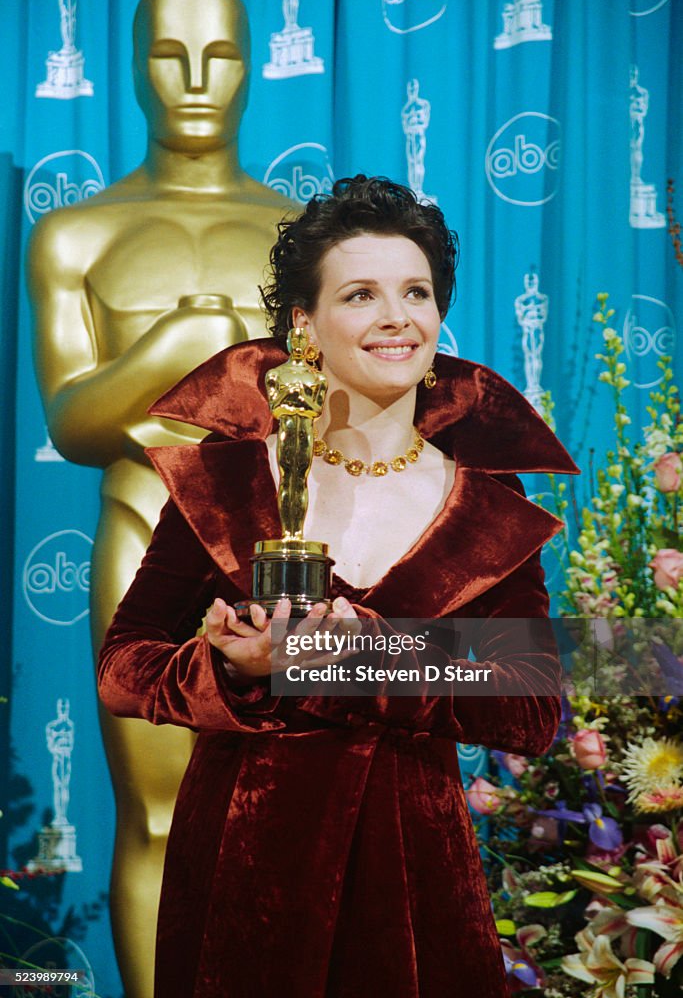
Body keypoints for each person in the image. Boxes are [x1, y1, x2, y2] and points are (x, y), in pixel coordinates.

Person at [98, 175, 578, 997]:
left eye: (416, 292)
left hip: (412, 872)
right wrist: (231, 668)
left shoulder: (490, 498)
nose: (398, 316)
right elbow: (123, 666)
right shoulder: (228, 479)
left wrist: (364, 661)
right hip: (243, 867)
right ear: (303, 324)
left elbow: (531, 701)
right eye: (360, 294)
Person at [27, 0, 291, 993]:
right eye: (167, 55)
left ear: (251, 65)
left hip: (287, 544)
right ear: (133, 65)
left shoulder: (302, 230)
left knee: (292, 805)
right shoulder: (75, 235)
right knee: (158, 811)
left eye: (217, 55)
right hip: (146, 529)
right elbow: (75, 421)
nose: (192, 80)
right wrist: (184, 344)